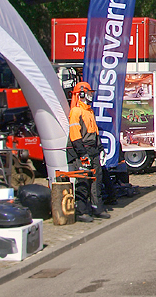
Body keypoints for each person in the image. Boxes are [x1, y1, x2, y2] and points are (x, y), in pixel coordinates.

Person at [66, 82, 110, 222]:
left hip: (93, 149)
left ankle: (96, 207)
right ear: (82, 94)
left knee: (97, 178)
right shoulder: (76, 111)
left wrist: (101, 149)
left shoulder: (89, 111)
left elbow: (95, 131)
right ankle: (81, 211)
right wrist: (82, 154)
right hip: (82, 149)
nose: (91, 95)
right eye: (89, 93)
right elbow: (75, 135)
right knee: (83, 180)